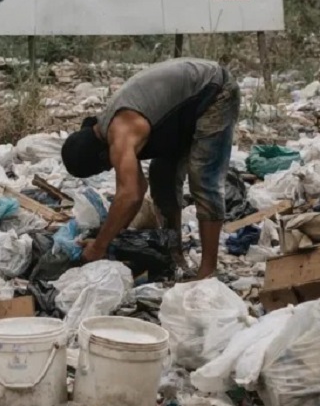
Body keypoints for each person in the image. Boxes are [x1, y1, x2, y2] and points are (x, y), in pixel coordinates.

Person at [60, 58, 240, 280]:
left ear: (101, 157)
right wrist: (107, 238)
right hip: (183, 109)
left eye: (102, 168)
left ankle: (207, 271)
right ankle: (173, 253)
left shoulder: (120, 133)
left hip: (215, 91)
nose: (108, 168)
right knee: (161, 176)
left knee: (203, 179)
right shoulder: (109, 128)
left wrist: (99, 246)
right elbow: (136, 188)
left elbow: (130, 195)